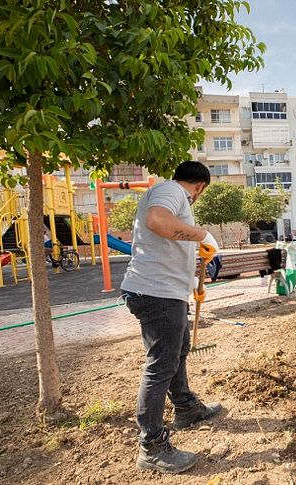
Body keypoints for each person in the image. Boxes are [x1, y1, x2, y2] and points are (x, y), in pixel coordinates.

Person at [120, 161, 221, 474]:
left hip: (166, 292)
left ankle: (186, 408)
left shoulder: (172, 195)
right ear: (200, 187)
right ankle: (152, 445)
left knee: (178, 352)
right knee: (160, 365)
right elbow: (157, 221)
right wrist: (202, 234)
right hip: (156, 294)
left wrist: (188, 281)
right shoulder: (171, 190)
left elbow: (165, 244)